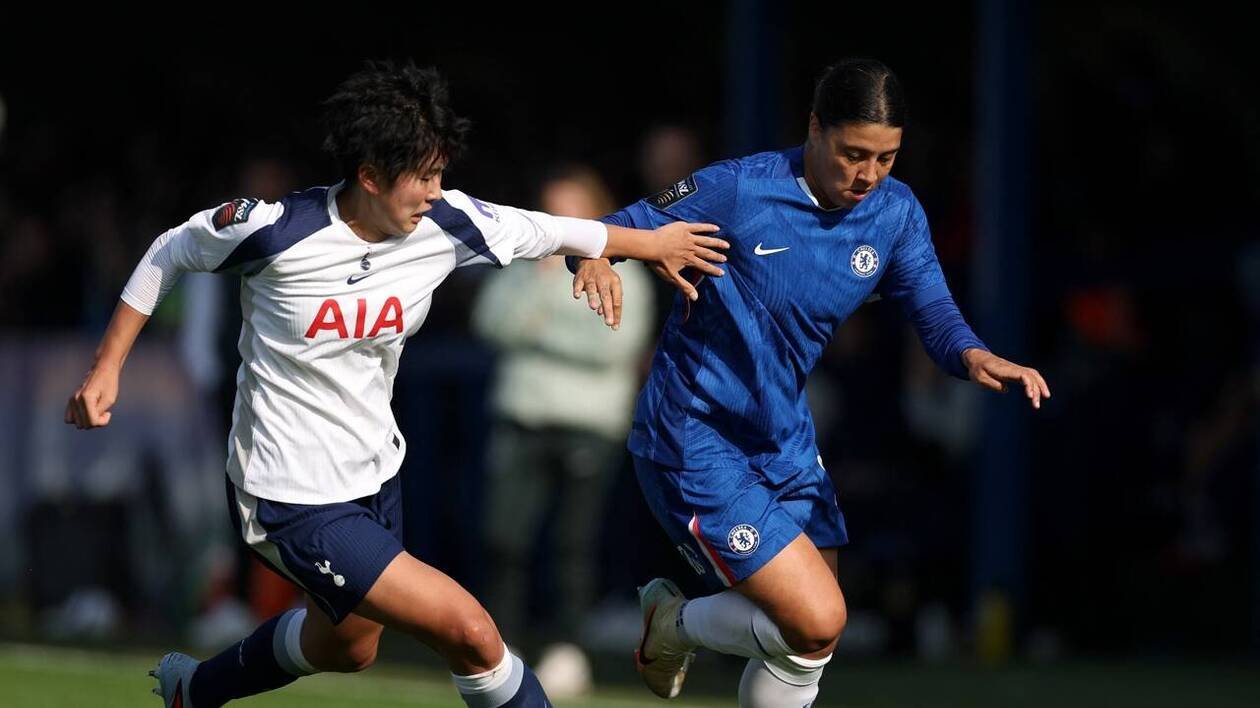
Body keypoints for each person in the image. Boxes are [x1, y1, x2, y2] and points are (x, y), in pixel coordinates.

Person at [64, 60, 728, 708]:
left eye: (441, 172)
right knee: (471, 631)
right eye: (422, 176)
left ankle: (195, 690)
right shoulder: (273, 232)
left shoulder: (445, 222)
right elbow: (170, 251)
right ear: (370, 177)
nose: (436, 191)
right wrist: (106, 367)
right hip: (290, 491)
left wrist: (636, 247)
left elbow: (554, 228)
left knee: (348, 647)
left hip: (375, 473)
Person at [569, 57, 1051, 706]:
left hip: (783, 438)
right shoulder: (739, 190)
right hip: (694, 435)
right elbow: (608, 229)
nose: (868, 175)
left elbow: (931, 307)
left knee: (807, 641)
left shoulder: (895, 213)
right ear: (815, 128)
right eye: (853, 153)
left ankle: (671, 624)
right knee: (820, 617)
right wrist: (596, 256)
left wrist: (971, 355)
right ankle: (675, 625)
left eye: (886, 158)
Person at [472, 165, 656, 698]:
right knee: (505, 538)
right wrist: (546, 296)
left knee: (573, 547)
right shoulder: (524, 267)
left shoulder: (629, 273)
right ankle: (497, 650)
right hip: (521, 418)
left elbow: (614, 347)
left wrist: (536, 332)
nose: (560, 221)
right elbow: (490, 323)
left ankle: (566, 651)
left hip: (588, 425)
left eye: (572, 208)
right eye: (552, 208)